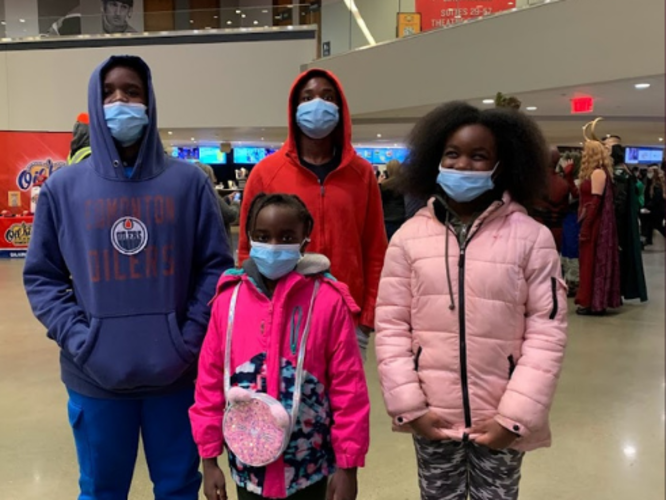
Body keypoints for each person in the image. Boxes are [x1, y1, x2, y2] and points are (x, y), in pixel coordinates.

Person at [23, 55, 233, 499]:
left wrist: (189, 338)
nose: (120, 100)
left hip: (176, 377)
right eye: (108, 93)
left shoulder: (188, 183)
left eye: (132, 91)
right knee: (101, 490)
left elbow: (215, 266)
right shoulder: (64, 189)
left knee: (178, 488)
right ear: (93, 106)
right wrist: (82, 340)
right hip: (94, 378)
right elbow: (42, 276)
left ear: (150, 100)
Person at [375, 102, 567, 500]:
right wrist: (410, 406)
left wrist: (515, 417)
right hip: (433, 418)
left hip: (500, 418)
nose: (462, 165)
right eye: (452, 154)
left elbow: (547, 334)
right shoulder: (408, 239)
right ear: (435, 159)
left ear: (502, 165)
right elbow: (392, 328)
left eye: (479, 156)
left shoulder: (532, 238)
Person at [190, 193, 370, 500]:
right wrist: (209, 460)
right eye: (263, 236)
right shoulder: (227, 302)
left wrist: (348, 467)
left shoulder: (327, 301)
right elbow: (208, 383)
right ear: (249, 238)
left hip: (311, 468)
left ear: (304, 241)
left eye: (286, 237)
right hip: (249, 468)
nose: (273, 245)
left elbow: (349, 390)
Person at [238, 69, 388, 360]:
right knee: (284, 403)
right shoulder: (266, 174)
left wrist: (368, 316)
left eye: (327, 96)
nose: (317, 104)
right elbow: (247, 250)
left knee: (346, 402)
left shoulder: (361, 174)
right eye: (307, 97)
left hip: (348, 317)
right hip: (280, 314)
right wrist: (254, 308)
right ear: (294, 109)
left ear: (340, 108)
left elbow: (374, 248)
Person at [575, 140, 621, 315]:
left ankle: (591, 302)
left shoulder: (598, 173)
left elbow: (595, 202)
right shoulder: (597, 173)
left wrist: (586, 227)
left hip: (595, 224)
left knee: (590, 262)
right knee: (587, 261)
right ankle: (589, 300)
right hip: (591, 221)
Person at [610, 145, 647, 302]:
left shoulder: (619, 175)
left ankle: (616, 290)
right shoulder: (627, 173)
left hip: (619, 224)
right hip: (626, 223)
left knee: (618, 257)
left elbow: (619, 202)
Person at [531, 146, 570, 251]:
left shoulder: (533, 180)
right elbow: (565, 210)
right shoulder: (563, 183)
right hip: (555, 231)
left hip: (534, 230)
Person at [379, 160, 406, 240]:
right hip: (401, 218)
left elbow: (378, 200)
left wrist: (379, 183)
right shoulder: (405, 184)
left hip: (387, 219)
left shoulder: (384, 185)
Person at [641, 164, 666, 246]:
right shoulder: (653, 183)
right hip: (656, 209)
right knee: (650, 225)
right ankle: (648, 239)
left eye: (650, 172)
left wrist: (647, 206)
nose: (648, 173)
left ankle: (648, 239)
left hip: (657, 210)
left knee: (658, 226)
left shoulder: (657, 186)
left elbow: (656, 198)